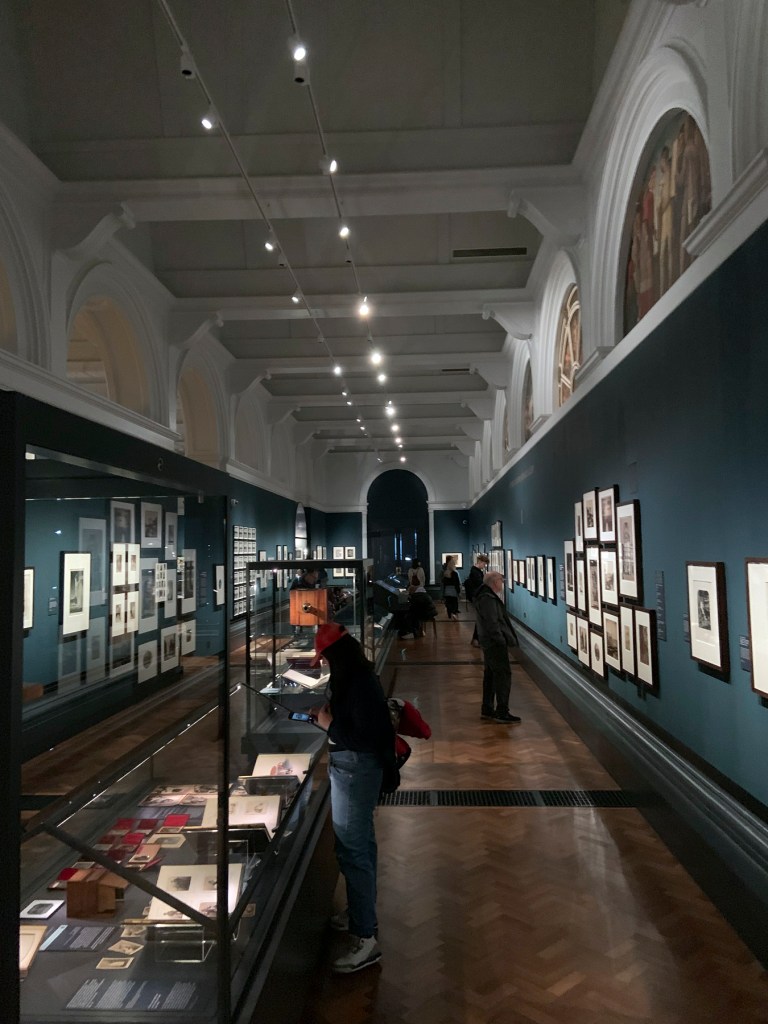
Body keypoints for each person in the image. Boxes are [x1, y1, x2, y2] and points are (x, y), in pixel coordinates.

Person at [309, 622, 397, 974]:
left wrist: (330, 725)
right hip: (352, 767)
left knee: (354, 848)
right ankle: (360, 913)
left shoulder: (358, 684)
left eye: (326, 659)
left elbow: (363, 736)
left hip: (355, 769)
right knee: (359, 844)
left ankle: (365, 935)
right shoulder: (357, 676)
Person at [473, 570, 521, 724]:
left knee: (491, 675)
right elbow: (492, 623)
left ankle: (487, 709)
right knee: (502, 676)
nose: (502, 583)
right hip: (494, 643)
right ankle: (502, 711)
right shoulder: (488, 599)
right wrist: (501, 640)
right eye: (501, 580)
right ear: (494, 582)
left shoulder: (484, 596)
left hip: (489, 642)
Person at [464, 553, 489, 646]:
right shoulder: (475, 572)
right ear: (480, 562)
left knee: (480, 619)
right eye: (484, 564)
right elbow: (480, 584)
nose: (484, 566)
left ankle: (476, 639)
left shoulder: (476, 571)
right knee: (481, 619)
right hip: (478, 597)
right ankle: (476, 639)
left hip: (477, 597)